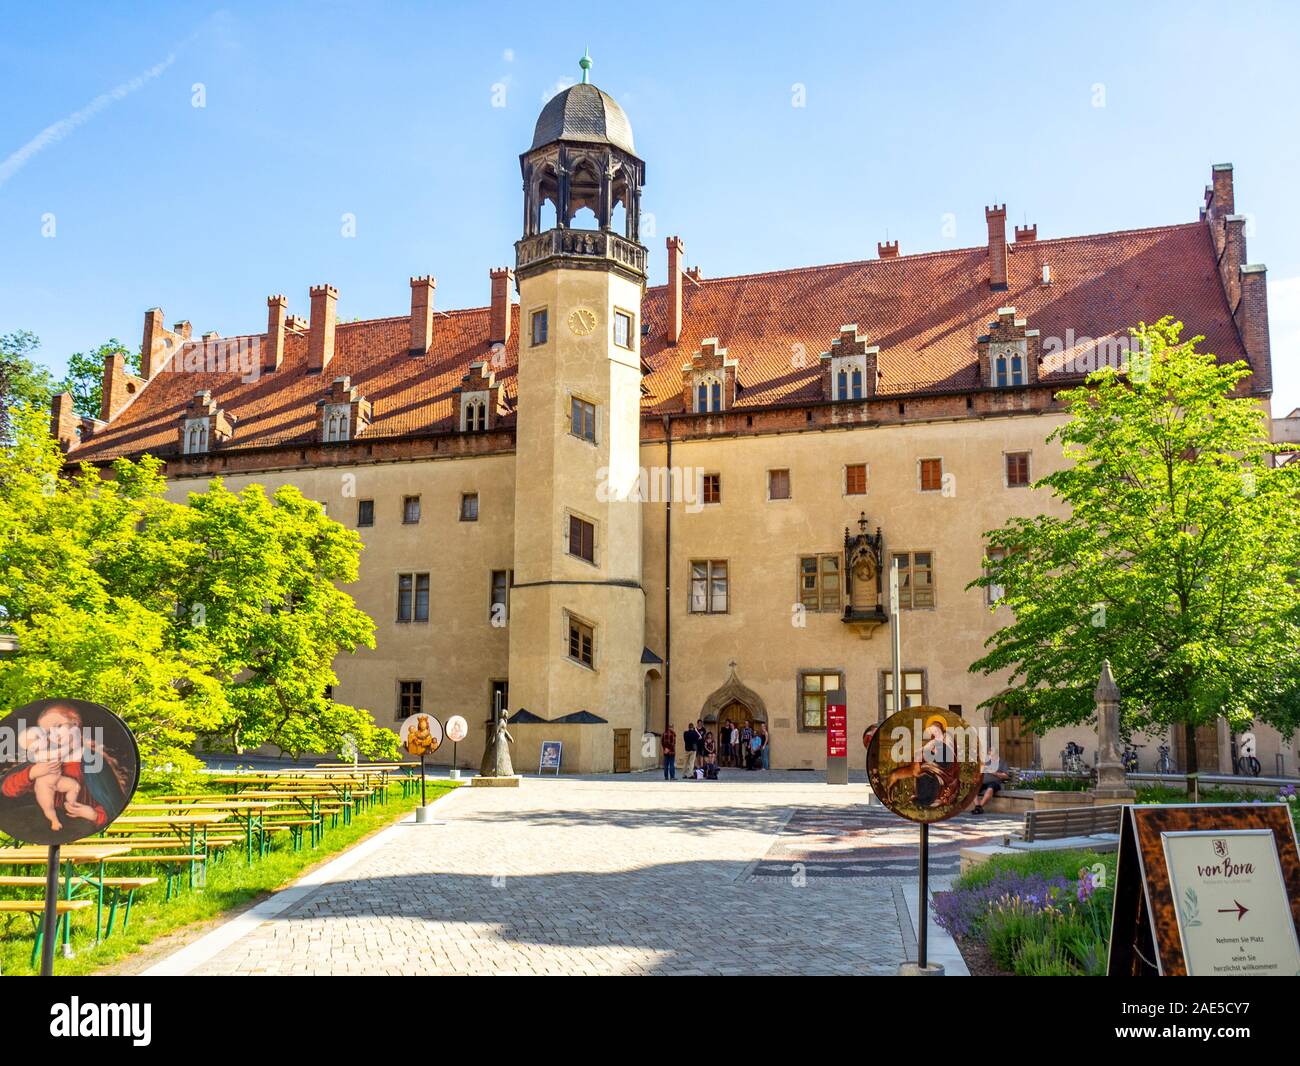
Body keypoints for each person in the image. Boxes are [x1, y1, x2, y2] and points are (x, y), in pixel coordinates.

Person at [973, 747, 1009, 815]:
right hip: (982, 782)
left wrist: (994, 773)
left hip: (995, 783)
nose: (990, 757)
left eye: (992, 755)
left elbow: (1006, 776)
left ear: (996, 754)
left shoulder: (1002, 762)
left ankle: (978, 807)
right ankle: (978, 807)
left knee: (990, 789)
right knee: (973, 789)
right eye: (989, 755)